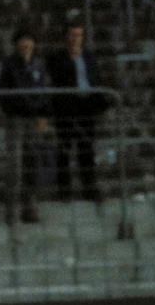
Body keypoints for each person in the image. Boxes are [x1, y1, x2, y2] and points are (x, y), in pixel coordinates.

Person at [45, 22, 109, 202]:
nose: (75, 39)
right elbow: (58, 78)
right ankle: (64, 190)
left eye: (79, 35)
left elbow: (95, 77)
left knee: (86, 149)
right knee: (65, 149)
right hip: (66, 108)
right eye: (72, 35)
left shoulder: (89, 56)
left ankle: (90, 188)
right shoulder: (57, 57)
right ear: (66, 37)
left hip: (86, 107)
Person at [0, 29, 53, 224]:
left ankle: (30, 205)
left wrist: (44, 114)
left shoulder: (39, 64)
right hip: (16, 119)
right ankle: (12, 210)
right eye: (22, 41)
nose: (26, 44)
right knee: (15, 166)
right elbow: (1, 92)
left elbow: (45, 90)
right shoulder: (8, 64)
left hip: (34, 119)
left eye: (29, 41)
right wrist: (13, 110)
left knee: (33, 163)